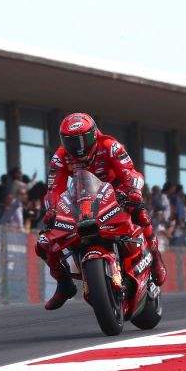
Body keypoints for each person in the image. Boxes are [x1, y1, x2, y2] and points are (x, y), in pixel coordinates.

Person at [36, 113, 167, 310]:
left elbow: (130, 172)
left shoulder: (109, 146)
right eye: (72, 142)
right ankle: (64, 284)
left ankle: (156, 259)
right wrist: (52, 209)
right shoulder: (60, 157)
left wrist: (132, 190)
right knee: (43, 243)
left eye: (83, 139)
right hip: (82, 202)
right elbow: (54, 189)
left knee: (140, 212)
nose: (79, 147)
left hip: (117, 194)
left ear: (94, 133)